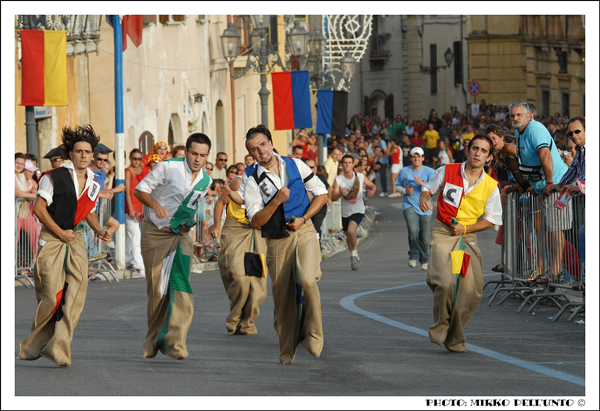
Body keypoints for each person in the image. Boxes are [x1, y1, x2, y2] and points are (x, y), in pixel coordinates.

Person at [18, 125, 116, 366]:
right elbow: (39, 209)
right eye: (79, 151)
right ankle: (34, 345)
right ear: (70, 154)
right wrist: (60, 232)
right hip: (52, 239)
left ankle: (58, 347)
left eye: (87, 151)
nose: (84, 155)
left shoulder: (94, 181)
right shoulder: (54, 176)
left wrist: (100, 230)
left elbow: (89, 211)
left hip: (76, 240)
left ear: (93, 155)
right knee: (51, 295)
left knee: (76, 293)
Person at [242, 124, 328, 365]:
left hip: (305, 231)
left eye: (262, 145)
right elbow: (256, 221)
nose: (260, 151)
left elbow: (321, 193)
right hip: (277, 239)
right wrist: (276, 201)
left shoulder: (296, 164)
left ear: (270, 143)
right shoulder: (251, 178)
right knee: (283, 295)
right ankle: (287, 347)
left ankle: (313, 336)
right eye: (254, 149)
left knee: (309, 280)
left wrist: (304, 218)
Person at [419, 135, 502, 352]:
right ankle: (440, 326)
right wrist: (424, 199)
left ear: (489, 157)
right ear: (467, 150)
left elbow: (492, 219)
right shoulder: (447, 170)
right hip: (443, 234)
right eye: (475, 148)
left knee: (468, 290)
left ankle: (454, 337)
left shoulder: (491, 186)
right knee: (444, 282)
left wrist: (466, 229)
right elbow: (428, 188)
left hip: (466, 239)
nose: (478, 153)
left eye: (483, 151)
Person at [135, 133, 213, 360]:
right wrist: (156, 205)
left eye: (203, 155)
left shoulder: (206, 180)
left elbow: (192, 206)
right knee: (158, 289)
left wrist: (188, 225)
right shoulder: (168, 167)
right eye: (194, 154)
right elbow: (140, 190)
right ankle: (153, 339)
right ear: (186, 151)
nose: (198, 159)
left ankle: (175, 341)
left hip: (180, 236)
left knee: (180, 283)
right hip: (156, 231)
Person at [509, 101, 569, 284]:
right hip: (541, 188)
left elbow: (545, 156)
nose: (515, 118)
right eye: (512, 115)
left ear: (530, 116)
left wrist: (550, 183)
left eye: (519, 115)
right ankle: (547, 269)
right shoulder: (519, 132)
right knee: (544, 228)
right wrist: (532, 186)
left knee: (555, 228)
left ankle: (556, 270)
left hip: (556, 185)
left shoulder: (535, 129)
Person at [209, 174, 268, 336]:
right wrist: (216, 225)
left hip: (257, 232)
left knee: (256, 281)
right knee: (237, 274)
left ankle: (248, 322)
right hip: (235, 229)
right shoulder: (241, 180)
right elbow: (221, 201)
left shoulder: (273, 183)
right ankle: (235, 317)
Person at [331, 154, 377, 270]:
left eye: (349, 162)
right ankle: (353, 254)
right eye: (345, 163)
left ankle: (354, 253)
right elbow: (333, 197)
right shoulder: (338, 179)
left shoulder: (360, 177)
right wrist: (341, 193)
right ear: (342, 165)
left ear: (353, 164)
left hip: (358, 209)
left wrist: (372, 192)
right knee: (347, 234)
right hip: (345, 211)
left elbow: (372, 186)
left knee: (351, 230)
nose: (347, 165)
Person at [394, 147, 435, 270]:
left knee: (424, 235)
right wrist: (405, 190)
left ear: (423, 158)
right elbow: (397, 186)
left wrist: (422, 183)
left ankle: (424, 259)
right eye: (414, 156)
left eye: (419, 156)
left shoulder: (429, 171)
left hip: (425, 206)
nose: (416, 159)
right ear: (411, 158)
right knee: (413, 230)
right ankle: (413, 256)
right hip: (409, 204)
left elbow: (436, 187)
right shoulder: (405, 171)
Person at [124, 149, 147, 277]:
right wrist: (131, 209)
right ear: (130, 158)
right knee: (135, 236)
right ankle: (139, 265)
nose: (137, 161)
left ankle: (128, 259)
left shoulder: (140, 172)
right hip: (130, 208)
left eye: (139, 159)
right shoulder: (128, 172)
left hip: (138, 207)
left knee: (130, 236)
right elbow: (127, 191)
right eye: (134, 158)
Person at [305, 159, 330, 243]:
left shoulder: (321, 177)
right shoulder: (300, 179)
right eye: (306, 167)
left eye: (311, 167)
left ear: (315, 168)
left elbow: (328, 188)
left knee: (316, 228)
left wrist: (329, 198)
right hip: (306, 209)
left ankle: (318, 249)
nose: (309, 169)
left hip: (319, 208)